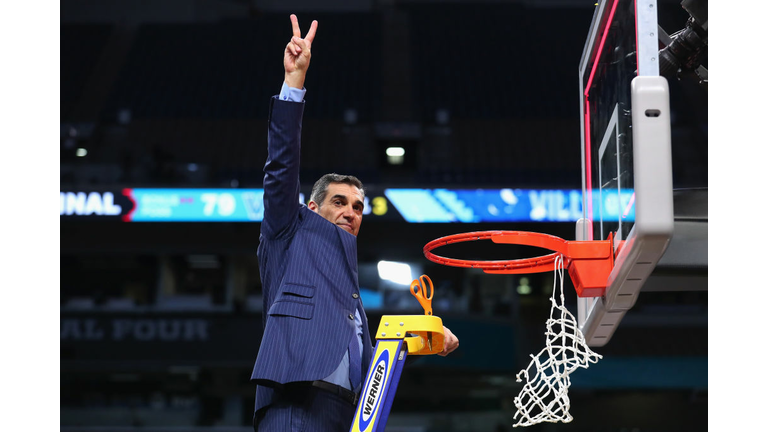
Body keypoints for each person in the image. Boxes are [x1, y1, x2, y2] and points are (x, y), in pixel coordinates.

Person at [251, 14, 460, 431]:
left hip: (349, 414)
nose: (351, 212)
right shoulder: (287, 233)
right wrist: (294, 82)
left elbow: (377, 352)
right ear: (311, 208)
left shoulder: (349, 289)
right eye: (340, 202)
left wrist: (430, 335)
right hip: (296, 402)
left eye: (359, 207)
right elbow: (280, 168)